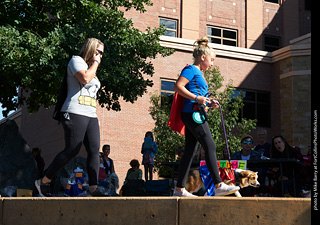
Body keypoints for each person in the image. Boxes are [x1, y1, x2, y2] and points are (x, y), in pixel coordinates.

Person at [35, 38, 104, 197]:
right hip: (74, 111)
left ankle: (93, 189)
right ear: (91, 49)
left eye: (102, 53)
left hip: (90, 114)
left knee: (94, 151)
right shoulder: (76, 61)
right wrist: (95, 63)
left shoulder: (91, 67)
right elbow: (85, 79)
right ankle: (43, 181)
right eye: (98, 51)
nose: (100, 55)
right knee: (72, 149)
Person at [172, 37, 240, 197]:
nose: (212, 64)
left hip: (194, 113)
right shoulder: (191, 69)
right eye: (211, 60)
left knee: (190, 150)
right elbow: (177, 86)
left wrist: (207, 102)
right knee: (210, 146)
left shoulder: (197, 73)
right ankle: (218, 184)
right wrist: (197, 99)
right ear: (202, 57)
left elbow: (198, 95)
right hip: (192, 114)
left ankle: (179, 190)